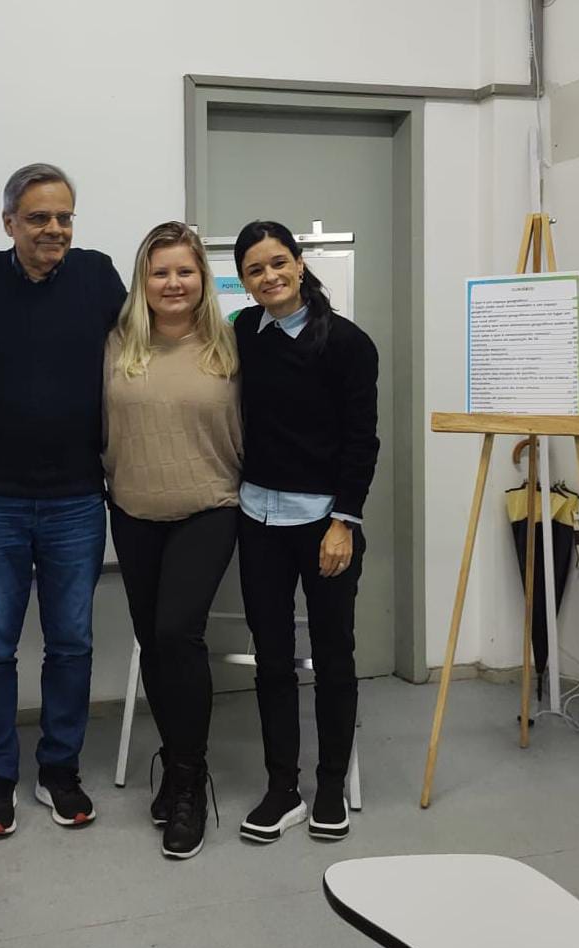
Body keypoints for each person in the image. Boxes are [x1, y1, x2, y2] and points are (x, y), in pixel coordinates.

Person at [0, 163, 126, 836]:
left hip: (76, 498)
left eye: (63, 217)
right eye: (38, 217)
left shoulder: (97, 275)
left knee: (71, 643)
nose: (54, 229)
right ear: (8, 223)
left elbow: (136, 353)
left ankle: (59, 769)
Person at [232, 220, 378, 844]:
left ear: (299, 263)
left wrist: (344, 520)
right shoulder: (242, 333)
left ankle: (330, 788)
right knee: (271, 660)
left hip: (324, 525)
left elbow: (362, 440)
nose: (269, 276)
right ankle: (282, 788)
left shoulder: (346, 343)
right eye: (254, 270)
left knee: (334, 658)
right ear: (243, 280)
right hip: (257, 520)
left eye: (278, 263)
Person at [103, 222, 241, 859]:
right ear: (143, 281)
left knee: (176, 633)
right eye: (160, 272)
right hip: (133, 510)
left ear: (203, 279)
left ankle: (188, 780)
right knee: (154, 644)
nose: (173, 283)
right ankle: (177, 759)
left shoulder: (231, 346)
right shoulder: (116, 344)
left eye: (185, 271)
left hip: (208, 509)